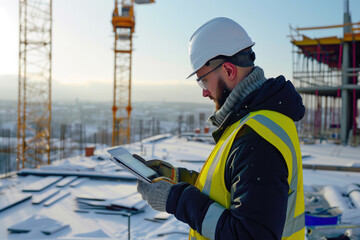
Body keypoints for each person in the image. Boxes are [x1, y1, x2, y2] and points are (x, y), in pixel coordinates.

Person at [137, 17, 305, 240]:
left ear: (228, 70)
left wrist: (174, 199)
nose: (204, 92)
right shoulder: (251, 121)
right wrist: (180, 179)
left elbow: (250, 234)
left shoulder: (256, 138)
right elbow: (232, 189)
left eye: (203, 81)